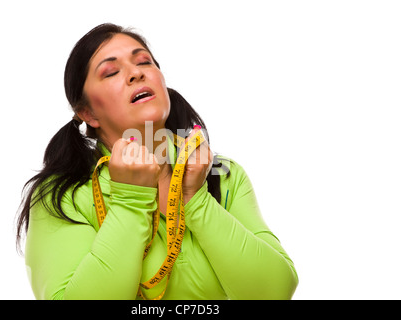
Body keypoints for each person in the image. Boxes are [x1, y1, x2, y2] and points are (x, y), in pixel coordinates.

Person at [16, 23, 298, 300]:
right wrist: (130, 202)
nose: (136, 73)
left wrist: (195, 200)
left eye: (144, 62)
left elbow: (274, 292)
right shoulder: (61, 195)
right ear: (88, 113)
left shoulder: (221, 174)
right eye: (112, 71)